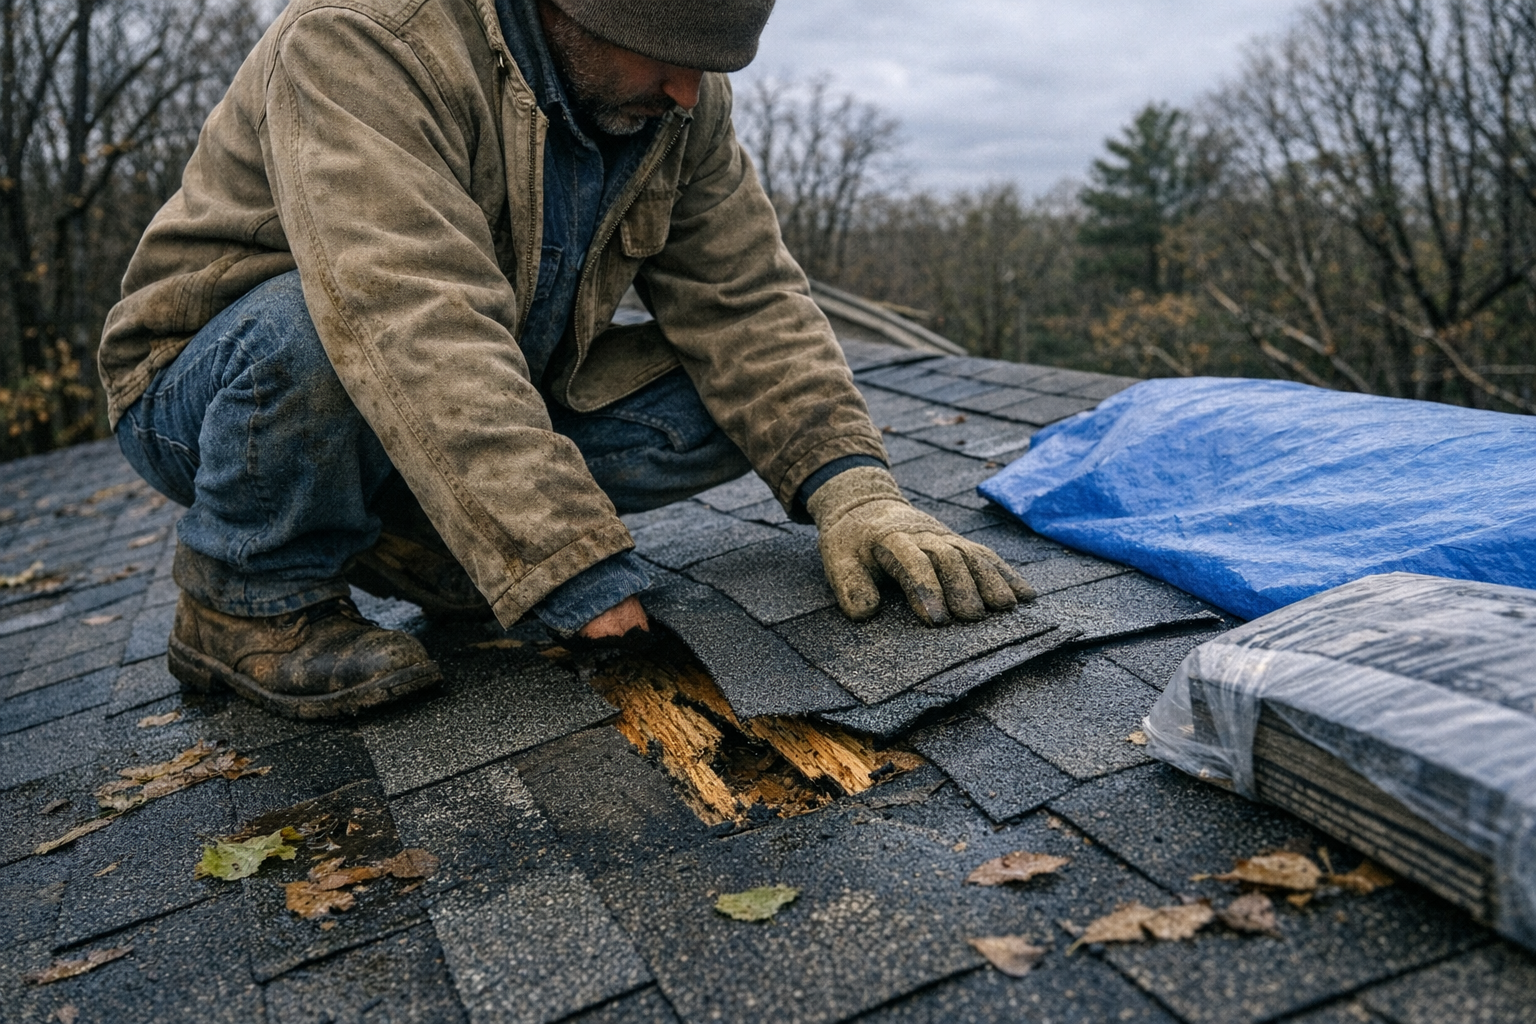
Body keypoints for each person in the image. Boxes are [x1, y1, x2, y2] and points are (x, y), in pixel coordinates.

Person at [98, 0, 1035, 720]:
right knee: (317, 320)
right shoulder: (364, 37)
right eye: (672, 59)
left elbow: (749, 301)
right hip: (226, 391)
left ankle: (428, 539)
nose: (690, 93)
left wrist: (854, 488)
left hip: (456, 383)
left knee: (729, 399)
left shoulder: (676, 99)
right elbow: (410, 315)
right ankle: (246, 596)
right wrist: (564, 564)